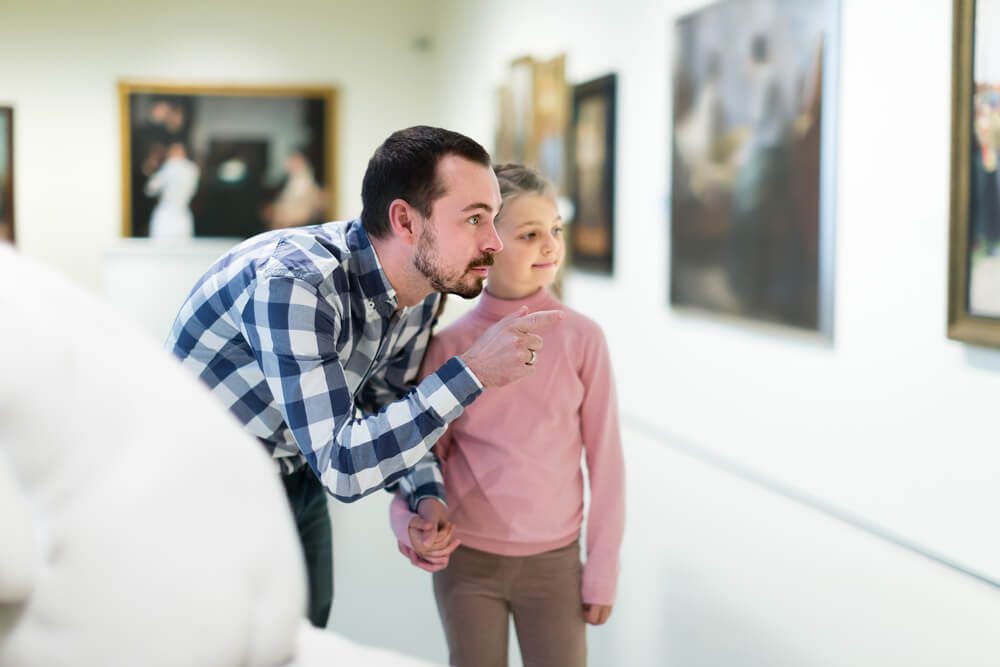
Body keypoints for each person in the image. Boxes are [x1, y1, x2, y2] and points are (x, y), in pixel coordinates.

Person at [165, 126, 563, 629]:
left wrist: (424, 493)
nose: (494, 241)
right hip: (204, 484)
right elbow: (344, 464)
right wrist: (471, 372)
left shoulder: (424, 284)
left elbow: (384, 397)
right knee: (223, 642)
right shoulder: (296, 284)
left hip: (294, 471)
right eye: (475, 219)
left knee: (303, 635)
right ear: (406, 221)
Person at [389, 164, 625, 667]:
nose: (550, 246)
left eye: (555, 230)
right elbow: (420, 454)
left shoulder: (584, 340)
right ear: (489, 244)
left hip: (555, 565)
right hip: (466, 564)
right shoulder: (450, 346)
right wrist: (408, 521)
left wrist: (601, 567)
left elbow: (607, 466)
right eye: (530, 234)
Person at [145, 141, 200, 239]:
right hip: (183, 214)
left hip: (166, 213)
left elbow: (150, 189)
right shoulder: (192, 169)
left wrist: (152, 168)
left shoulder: (170, 166)